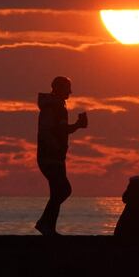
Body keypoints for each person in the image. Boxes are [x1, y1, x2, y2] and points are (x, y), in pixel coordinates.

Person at [35, 76, 88, 236]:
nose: (69, 93)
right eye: (67, 89)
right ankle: (45, 224)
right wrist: (55, 147)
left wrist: (77, 126)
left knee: (58, 191)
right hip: (50, 157)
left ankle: (48, 226)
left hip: (55, 157)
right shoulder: (53, 107)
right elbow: (49, 131)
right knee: (63, 190)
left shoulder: (57, 107)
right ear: (59, 89)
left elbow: (61, 129)